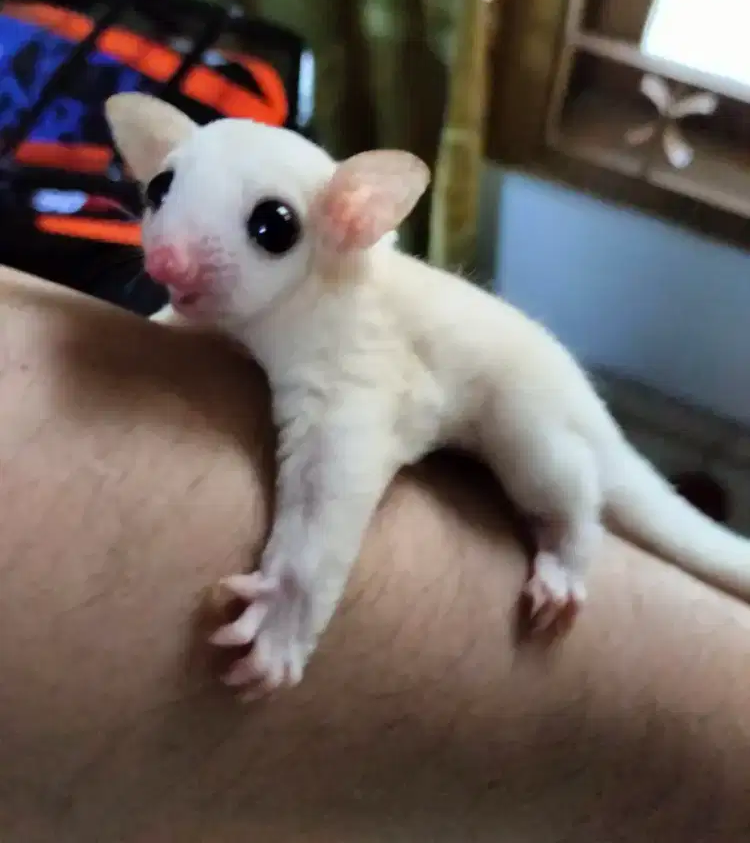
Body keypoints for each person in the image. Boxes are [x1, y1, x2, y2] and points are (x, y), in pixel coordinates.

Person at [0, 265, 748, 843]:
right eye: (159, 193)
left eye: (271, 227)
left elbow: (348, 465)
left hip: (523, 411)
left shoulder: (337, 328)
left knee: (539, 467)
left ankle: (576, 541)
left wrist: (293, 620)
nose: (172, 258)